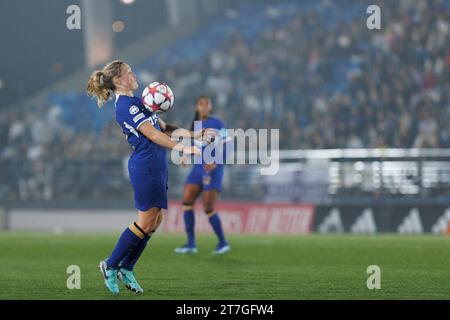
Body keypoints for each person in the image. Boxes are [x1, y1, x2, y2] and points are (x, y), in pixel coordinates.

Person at [86, 60, 202, 294]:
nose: (134, 74)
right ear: (119, 80)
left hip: (156, 164)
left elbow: (163, 127)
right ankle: (109, 265)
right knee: (145, 221)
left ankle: (126, 268)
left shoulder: (138, 102)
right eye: (129, 72)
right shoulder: (125, 106)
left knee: (156, 220)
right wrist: (181, 148)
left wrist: (192, 135)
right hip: (145, 166)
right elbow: (152, 134)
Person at [175, 96, 231, 255]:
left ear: (211, 106)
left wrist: (215, 161)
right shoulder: (196, 126)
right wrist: (186, 154)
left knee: (208, 207)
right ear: (197, 107)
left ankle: (223, 242)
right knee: (186, 201)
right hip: (198, 168)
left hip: (213, 169)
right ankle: (191, 244)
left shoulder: (217, 123)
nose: (205, 106)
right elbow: (194, 146)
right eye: (201, 103)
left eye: (207, 103)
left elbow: (229, 146)